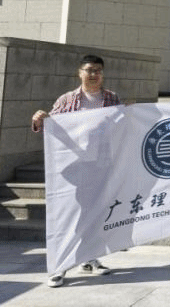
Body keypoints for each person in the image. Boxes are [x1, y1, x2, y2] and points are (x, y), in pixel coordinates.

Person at [31, 54, 122, 288]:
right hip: (73, 168)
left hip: (101, 166)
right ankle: (59, 266)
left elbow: (123, 128)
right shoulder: (67, 99)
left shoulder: (112, 99)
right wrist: (41, 119)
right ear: (79, 73)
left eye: (98, 70)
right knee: (68, 216)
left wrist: (131, 114)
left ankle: (89, 258)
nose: (94, 74)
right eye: (89, 70)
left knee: (94, 214)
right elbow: (51, 128)